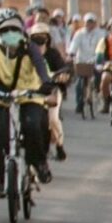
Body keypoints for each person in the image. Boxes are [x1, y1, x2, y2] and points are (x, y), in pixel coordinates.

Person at [0, 8, 53, 197]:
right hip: (3, 97)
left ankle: (38, 162)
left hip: (29, 95)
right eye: (5, 30)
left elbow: (41, 68)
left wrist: (46, 83)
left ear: (21, 31)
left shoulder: (30, 48)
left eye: (14, 29)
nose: (10, 34)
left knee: (32, 126)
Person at [28, 20, 72, 162]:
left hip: (51, 90)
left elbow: (64, 67)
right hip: (32, 90)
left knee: (53, 119)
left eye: (43, 37)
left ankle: (59, 144)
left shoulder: (53, 54)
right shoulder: (26, 54)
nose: (39, 41)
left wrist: (62, 75)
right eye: (36, 37)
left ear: (48, 38)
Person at [66, 12, 101, 113]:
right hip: (81, 60)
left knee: (98, 78)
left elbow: (101, 47)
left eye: (91, 22)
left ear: (95, 23)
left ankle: (98, 94)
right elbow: (74, 45)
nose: (89, 25)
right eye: (87, 22)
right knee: (79, 83)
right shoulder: (79, 33)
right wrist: (71, 54)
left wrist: (99, 58)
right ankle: (79, 103)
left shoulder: (100, 33)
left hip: (95, 60)